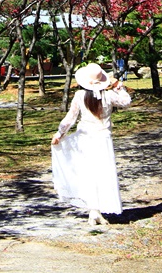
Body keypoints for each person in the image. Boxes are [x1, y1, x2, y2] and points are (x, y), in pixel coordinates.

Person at [51, 63, 132, 226]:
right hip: (103, 139)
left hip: (84, 138)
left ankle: (93, 210)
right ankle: (96, 210)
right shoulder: (109, 96)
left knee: (88, 173)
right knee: (102, 173)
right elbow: (126, 101)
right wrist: (118, 86)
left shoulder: (80, 96)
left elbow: (70, 118)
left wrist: (60, 134)